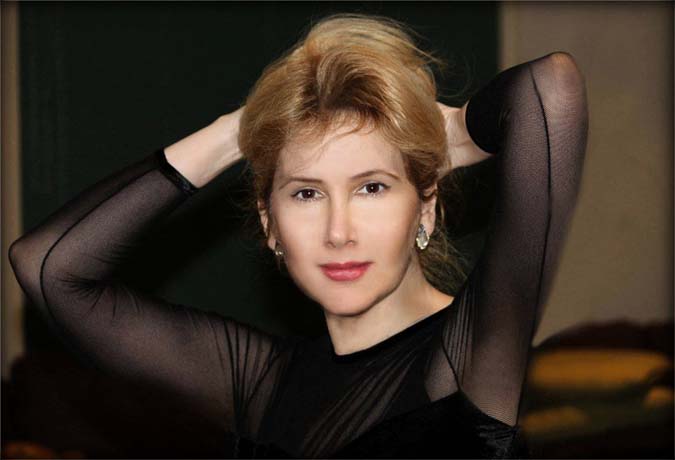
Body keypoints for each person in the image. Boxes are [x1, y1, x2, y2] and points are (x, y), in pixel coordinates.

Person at [8, 13, 588, 459]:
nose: (338, 232)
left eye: (372, 187)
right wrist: (239, 131)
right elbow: (49, 269)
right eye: (307, 193)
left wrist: (455, 132)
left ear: (426, 209)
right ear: (270, 225)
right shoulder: (259, 381)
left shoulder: (468, 356)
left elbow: (551, 88)